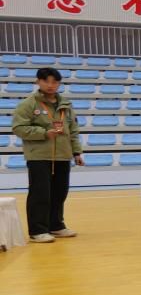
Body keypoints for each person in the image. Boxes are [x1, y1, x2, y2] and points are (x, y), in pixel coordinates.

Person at [11, 68, 84, 243]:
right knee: (40, 194)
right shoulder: (28, 104)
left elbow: (73, 130)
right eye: (46, 81)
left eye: (55, 82)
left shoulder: (66, 105)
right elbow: (18, 128)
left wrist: (76, 152)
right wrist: (43, 133)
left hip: (62, 155)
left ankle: (56, 226)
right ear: (38, 82)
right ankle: (37, 230)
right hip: (39, 156)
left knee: (60, 193)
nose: (51, 85)